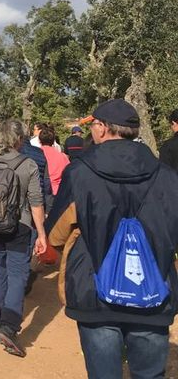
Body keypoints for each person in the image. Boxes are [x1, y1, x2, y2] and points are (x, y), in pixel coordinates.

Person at [46, 100, 178, 379]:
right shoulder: (167, 176)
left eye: (93, 124)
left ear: (103, 129)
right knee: (151, 375)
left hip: (94, 291)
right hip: (153, 292)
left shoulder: (79, 173)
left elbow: (56, 233)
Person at [0, 119, 47, 358]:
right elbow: (36, 201)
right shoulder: (28, 165)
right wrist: (42, 234)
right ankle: (9, 325)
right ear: (19, 140)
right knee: (18, 274)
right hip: (21, 226)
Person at [19, 130, 53, 214]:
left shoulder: (12, 153)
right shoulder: (40, 153)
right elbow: (46, 181)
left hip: (16, 201)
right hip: (37, 199)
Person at [39, 126, 70, 196]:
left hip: (40, 192)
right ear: (53, 141)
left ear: (39, 140)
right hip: (58, 192)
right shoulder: (62, 157)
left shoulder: (36, 155)